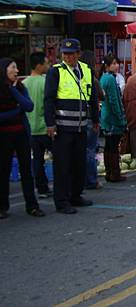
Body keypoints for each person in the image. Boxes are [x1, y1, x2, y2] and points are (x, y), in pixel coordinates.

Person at [44, 39, 99, 214]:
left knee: (78, 164)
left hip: (81, 127)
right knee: (62, 166)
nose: (68, 57)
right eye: (65, 54)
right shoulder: (56, 72)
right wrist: (50, 123)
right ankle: (62, 201)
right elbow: (48, 99)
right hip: (62, 128)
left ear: (78, 53)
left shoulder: (86, 70)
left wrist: (96, 120)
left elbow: (92, 97)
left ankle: (76, 195)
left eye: (71, 53)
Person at [0, 58, 45, 219]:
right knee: (3, 171)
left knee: (27, 170)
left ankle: (32, 205)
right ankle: (2, 206)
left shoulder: (20, 87)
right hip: (4, 136)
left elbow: (28, 106)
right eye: (13, 68)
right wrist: (16, 112)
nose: (17, 71)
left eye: (17, 68)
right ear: (4, 70)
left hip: (22, 134)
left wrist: (13, 90)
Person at [22, 52, 51, 199]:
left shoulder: (24, 84)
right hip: (46, 127)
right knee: (59, 157)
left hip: (30, 129)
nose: (48, 66)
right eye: (46, 63)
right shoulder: (45, 82)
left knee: (37, 160)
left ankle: (42, 188)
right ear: (39, 65)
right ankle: (61, 186)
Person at [99, 54, 127, 182]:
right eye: (114, 63)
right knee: (113, 146)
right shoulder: (110, 79)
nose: (117, 66)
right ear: (107, 65)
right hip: (112, 118)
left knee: (108, 145)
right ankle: (115, 173)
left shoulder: (104, 78)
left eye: (117, 63)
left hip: (105, 116)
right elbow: (114, 100)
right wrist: (120, 117)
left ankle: (109, 172)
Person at [80, 50, 102, 190]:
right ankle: (91, 180)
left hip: (79, 118)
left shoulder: (77, 77)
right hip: (89, 118)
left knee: (81, 150)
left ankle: (81, 180)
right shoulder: (91, 78)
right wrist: (95, 121)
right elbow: (98, 97)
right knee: (90, 150)